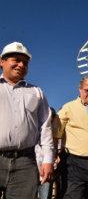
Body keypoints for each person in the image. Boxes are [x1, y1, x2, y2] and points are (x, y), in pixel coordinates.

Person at [0, 42, 54, 199]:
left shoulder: (36, 92)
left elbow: (45, 128)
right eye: (16, 59)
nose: (21, 65)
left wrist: (47, 160)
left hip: (25, 164)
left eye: (25, 62)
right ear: (2, 61)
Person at [36, 107, 57, 199]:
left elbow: (55, 151)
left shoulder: (54, 135)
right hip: (29, 171)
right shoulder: (31, 131)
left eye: (51, 122)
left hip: (46, 174)